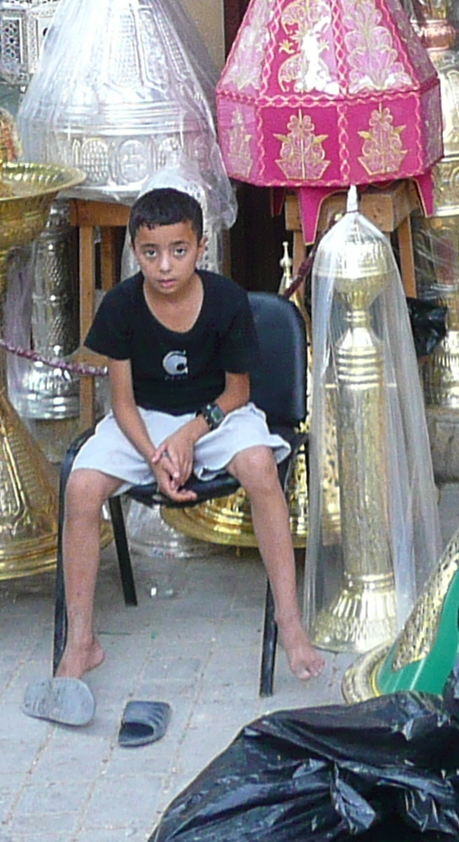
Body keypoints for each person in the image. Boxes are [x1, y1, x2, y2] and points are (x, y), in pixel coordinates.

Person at [30, 186, 324, 726]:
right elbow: (120, 402)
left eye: (179, 251)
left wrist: (189, 436)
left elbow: (238, 392)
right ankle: (81, 639)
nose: (165, 266)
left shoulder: (227, 300)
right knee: (81, 486)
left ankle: (290, 621)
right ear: (134, 252)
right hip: (142, 420)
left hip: (213, 416)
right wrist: (154, 455)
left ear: (201, 246)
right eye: (150, 253)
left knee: (261, 469)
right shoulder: (120, 305)